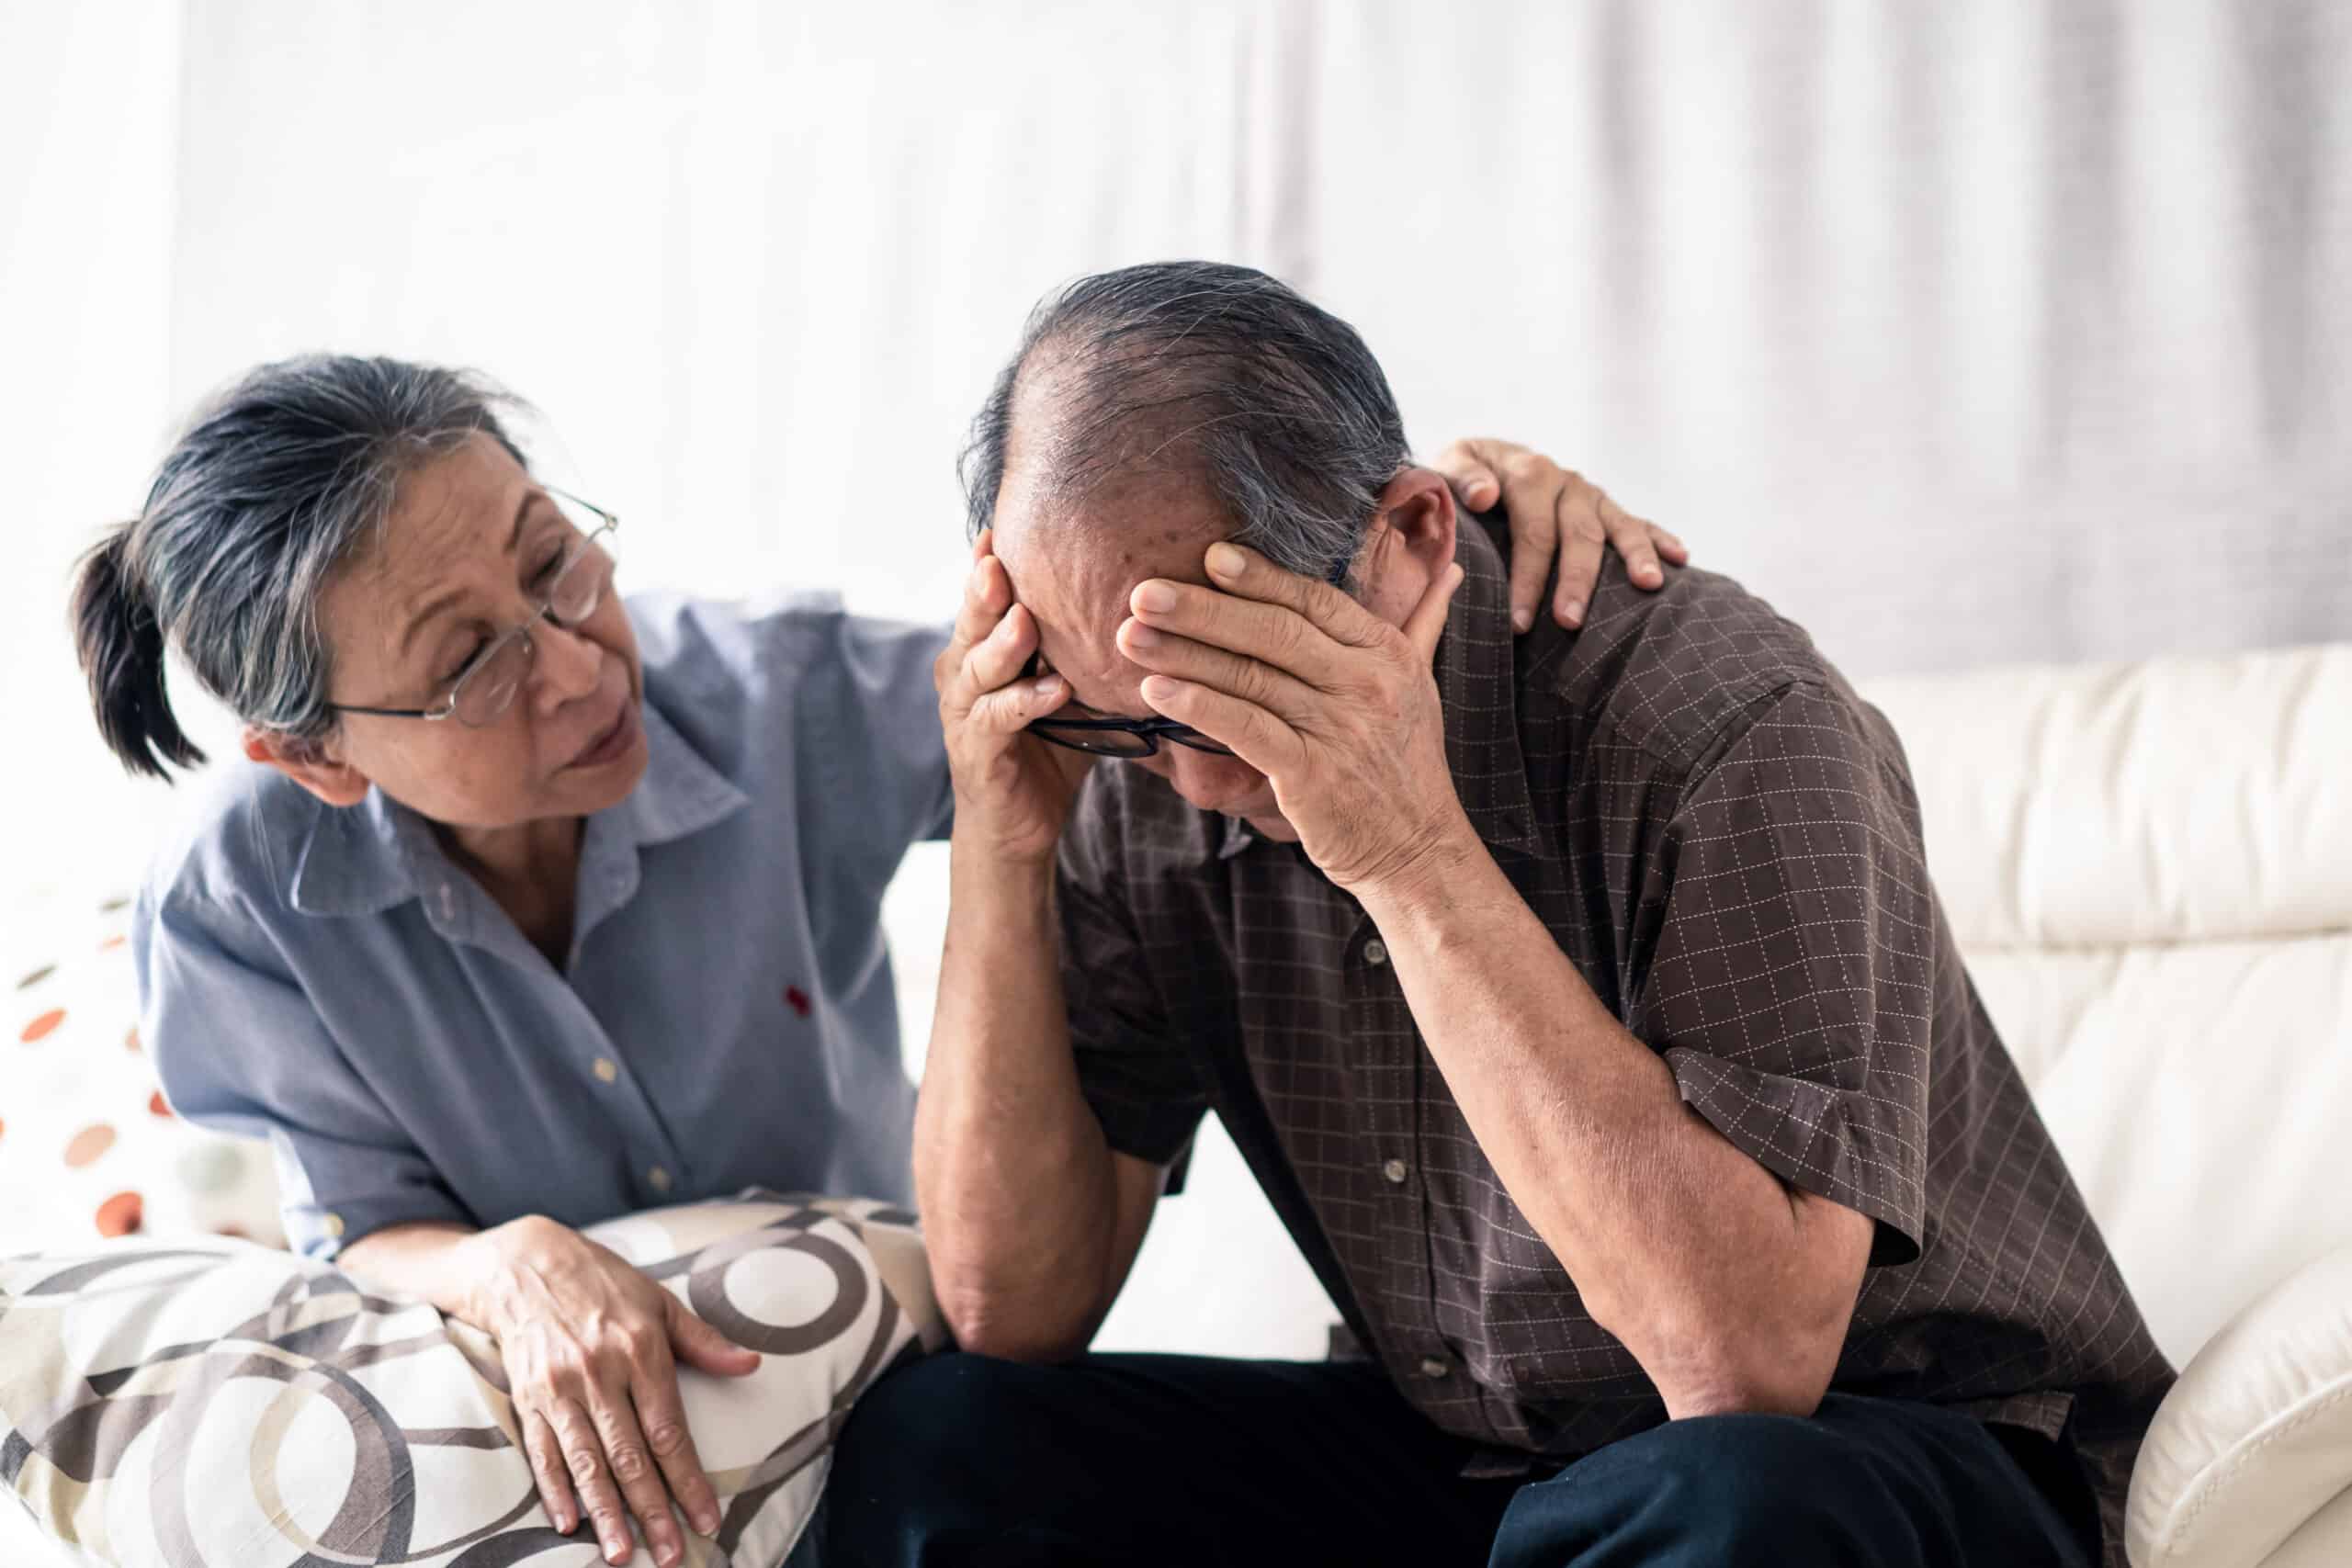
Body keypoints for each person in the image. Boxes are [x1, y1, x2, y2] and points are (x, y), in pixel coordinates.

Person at [70, 352, 1683, 1568]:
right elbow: (360, 1228)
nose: (575, 664)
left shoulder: (771, 697)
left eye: (554, 559)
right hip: (542, 1432)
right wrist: (504, 1262)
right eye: (474, 660)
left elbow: (1100, 671)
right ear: (317, 759)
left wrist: (1432, 513)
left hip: (859, 1383)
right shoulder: (236, 911)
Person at [828, 261, 2177, 1567]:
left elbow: (1746, 1361)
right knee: (954, 1446)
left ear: (1409, 541)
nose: (1190, 781)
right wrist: (1002, 846)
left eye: (1228, 694)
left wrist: (1410, 853)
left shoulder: (1722, 717)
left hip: (1883, 1441)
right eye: (1121, 724)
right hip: (1482, 1457)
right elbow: (1011, 1310)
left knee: (1739, 1509)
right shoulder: (1134, 761)